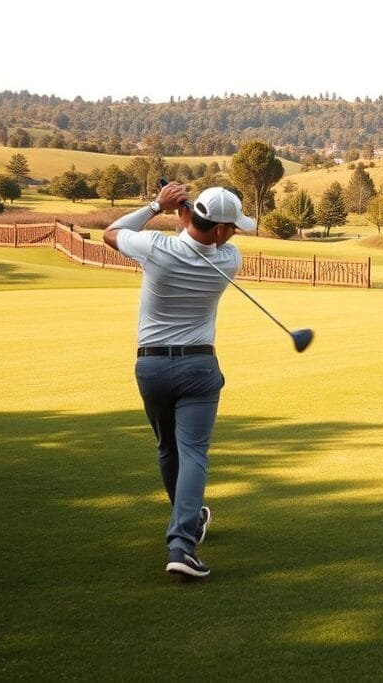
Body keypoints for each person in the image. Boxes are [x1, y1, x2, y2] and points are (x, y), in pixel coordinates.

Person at [103, 182, 256, 578]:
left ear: (191, 215)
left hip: (151, 367)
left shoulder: (156, 247)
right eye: (233, 227)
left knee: (168, 449)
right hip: (198, 368)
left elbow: (111, 232)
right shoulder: (229, 259)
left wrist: (158, 205)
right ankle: (181, 544)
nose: (235, 233)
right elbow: (199, 242)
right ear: (221, 230)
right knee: (193, 454)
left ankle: (186, 522)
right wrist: (185, 216)